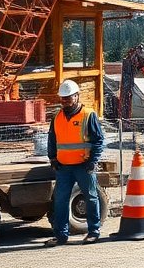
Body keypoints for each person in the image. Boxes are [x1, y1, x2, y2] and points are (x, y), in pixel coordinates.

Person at [45, 79, 105, 246]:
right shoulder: (56, 117)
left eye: (68, 97)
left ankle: (94, 231)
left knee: (91, 198)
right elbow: (52, 139)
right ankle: (61, 236)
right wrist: (53, 158)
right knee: (60, 200)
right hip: (63, 167)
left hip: (83, 166)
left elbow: (98, 140)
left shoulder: (88, 115)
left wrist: (93, 161)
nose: (65, 101)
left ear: (77, 96)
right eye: (62, 98)